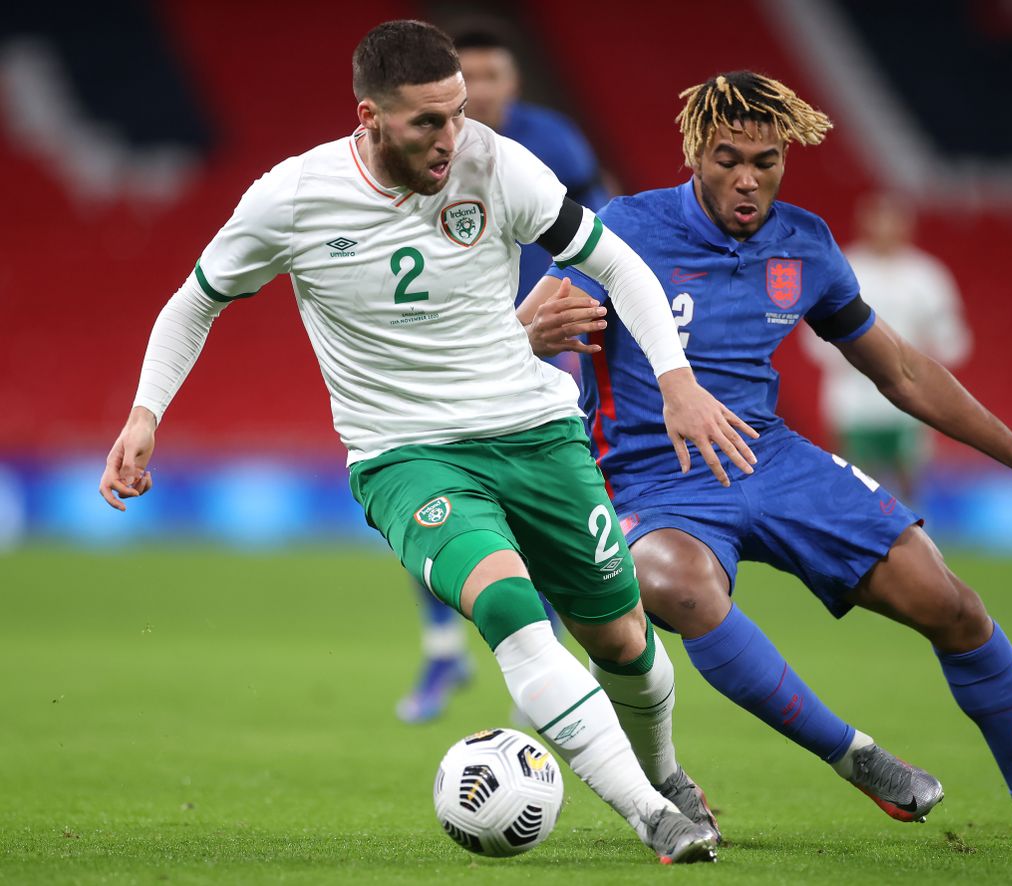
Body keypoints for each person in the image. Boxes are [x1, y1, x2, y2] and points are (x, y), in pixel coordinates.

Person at [96, 21, 767, 863]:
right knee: (514, 612)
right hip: (405, 454)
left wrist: (676, 382)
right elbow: (196, 299)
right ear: (369, 117)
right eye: (427, 122)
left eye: (456, 114)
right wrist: (144, 414)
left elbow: (618, 263)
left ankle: (664, 770)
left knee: (623, 640)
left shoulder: (497, 162)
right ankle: (652, 816)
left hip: (535, 432)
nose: (452, 137)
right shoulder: (294, 198)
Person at [521, 70, 1012, 842]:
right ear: (694, 155)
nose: (747, 179)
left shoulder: (804, 244)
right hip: (650, 477)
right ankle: (854, 755)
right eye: (728, 158)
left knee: (949, 602)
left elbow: (902, 371)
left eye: (766, 161)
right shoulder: (623, 228)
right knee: (674, 583)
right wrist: (532, 336)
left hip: (771, 461)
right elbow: (532, 329)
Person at [399, 24, 611, 724]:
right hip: (453, 354)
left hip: (544, 343)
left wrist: (552, 300)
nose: (483, 90)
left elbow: (600, 228)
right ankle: (442, 651)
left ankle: (543, 649)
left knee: (540, 505)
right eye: (471, 79)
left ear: (512, 85)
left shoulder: (554, 145)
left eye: (494, 77)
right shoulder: (420, 150)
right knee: (421, 492)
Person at [804, 193, 971, 502]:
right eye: (878, 220)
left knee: (910, 482)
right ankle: (855, 543)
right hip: (854, 401)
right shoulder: (845, 268)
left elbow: (951, 338)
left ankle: (917, 539)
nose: (885, 228)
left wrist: (924, 360)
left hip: (910, 400)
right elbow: (813, 339)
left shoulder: (926, 276)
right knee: (854, 481)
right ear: (864, 224)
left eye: (892, 220)